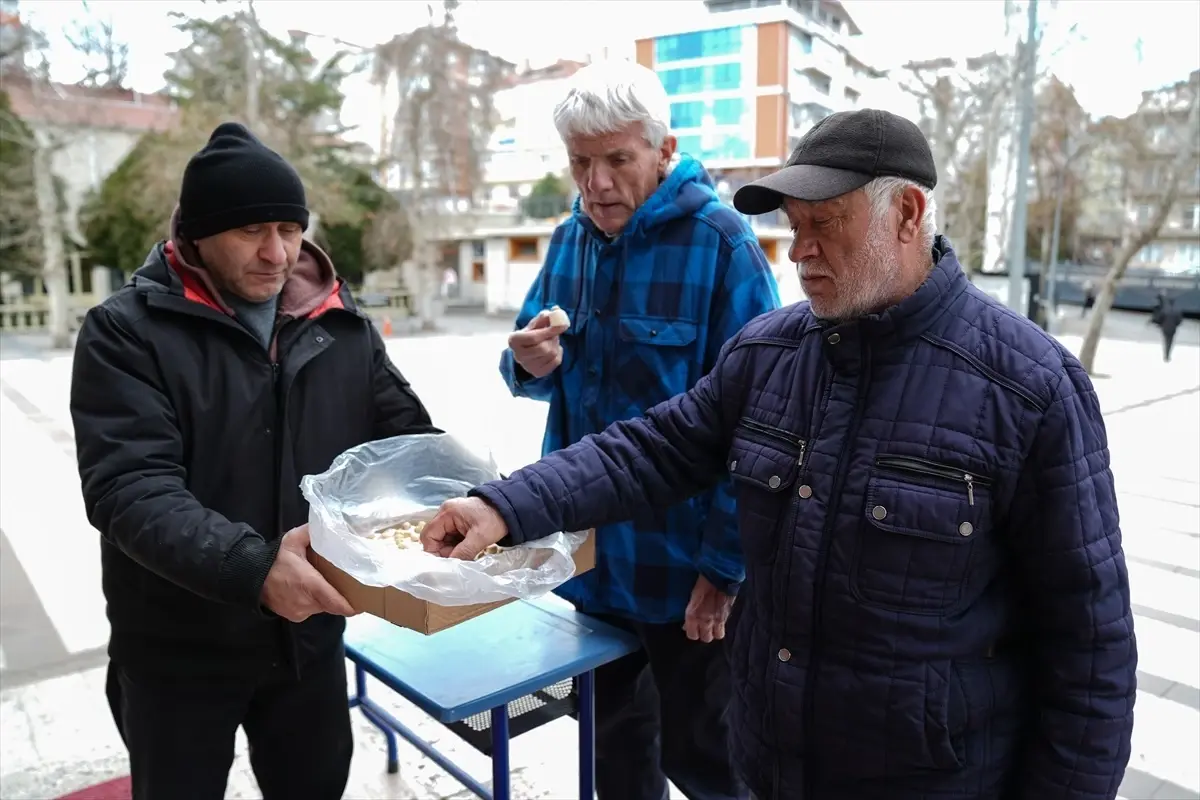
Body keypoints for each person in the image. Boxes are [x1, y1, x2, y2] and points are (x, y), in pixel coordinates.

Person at [423, 109, 1137, 799]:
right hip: (768, 767)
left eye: (824, 225)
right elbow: (651, 449)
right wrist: (503, 504)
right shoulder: (769, 354)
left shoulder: (1029, 387)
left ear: (908, 215)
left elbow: (1089, 650)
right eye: (794, 228)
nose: (799, 252)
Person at [70, 122, 438, 800]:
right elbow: (128, 489)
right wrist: (253, 567)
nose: (277, 254)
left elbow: (408, 442)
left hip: (308, 642)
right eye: (250, 231)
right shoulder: (125, 334)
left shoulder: (335, 322)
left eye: (290, 230)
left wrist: (485, 500)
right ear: (196, 235)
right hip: (177, 648)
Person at [499, 60, 778, 800]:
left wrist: (724, 571)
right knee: (612, 744)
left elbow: (762, 428)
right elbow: (534, 366)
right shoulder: (569, 241)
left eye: (616, 160)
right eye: (580, 163)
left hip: (682, 566)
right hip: (587, 559)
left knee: (707, 756)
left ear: (664, 149)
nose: (595, 183)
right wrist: (527, 360)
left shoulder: (725, 248)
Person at [1151, 292, 1183, 362]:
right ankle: (1167, 354)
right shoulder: (1177, 311)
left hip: (1165, 328)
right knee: (1170, 341)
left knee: (1166, 340)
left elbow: (1160, 318)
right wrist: (1175, 324)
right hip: (1173, 328)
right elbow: (1179, 321)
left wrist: (1159, 324)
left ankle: (1166, 353)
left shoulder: (1165, 310)